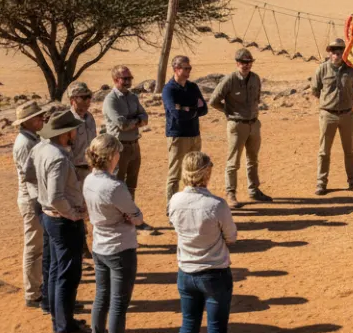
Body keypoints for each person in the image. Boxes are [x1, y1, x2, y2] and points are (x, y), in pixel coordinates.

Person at [168, 151, 244, 333]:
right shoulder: (216, 205)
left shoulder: (175, 200)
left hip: (186, 273)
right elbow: (231, 237)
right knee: (216, 332)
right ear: (206, 173)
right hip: (214, 274)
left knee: (188, 327)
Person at [82, 134, 150, 333]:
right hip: (120, 248)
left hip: (100, 245)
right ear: (111, 155)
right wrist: (131, 217)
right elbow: (137, 216)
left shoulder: (89, 180)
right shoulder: (115, 186)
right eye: (118, 152)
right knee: (119, 305)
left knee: (101, 298)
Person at [33, 109, 88, 333]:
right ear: (66, 133)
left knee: (56, 272)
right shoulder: (58, 157)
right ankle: (64, 328)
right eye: (74, 129)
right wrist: (72, 214)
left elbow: (29, 175)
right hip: (62, 220)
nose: (76, 132)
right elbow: (56, 196)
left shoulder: (40, 149)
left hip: (49, 217)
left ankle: (61, 320)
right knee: (67, 274)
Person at [209, 48, 268, 208]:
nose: (246, 65)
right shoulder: (229, 80)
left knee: (253, 159)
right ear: (237, 63)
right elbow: (214, 100)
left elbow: (257, 98)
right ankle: (231, 193)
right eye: (243, 62)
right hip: (236, 125)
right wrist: (228, 111)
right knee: (233, 162)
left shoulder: (255, 78)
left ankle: (254, 190)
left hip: (253, 124)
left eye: (249, 62)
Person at [311, 38, 353, 197]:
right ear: (329, 53)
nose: (337, 54)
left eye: (340, 51)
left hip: (347, 114)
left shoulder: (352, 70)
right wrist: (329, 102)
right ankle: (321, 183)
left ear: (345, 53)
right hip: (328, 115)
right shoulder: (322, 69)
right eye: (334, 51)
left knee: (349, 150)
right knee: (324, 151)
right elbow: (315, 90)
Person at [102, 65, 152, 231]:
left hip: (134, 145)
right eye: (125, 79)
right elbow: (122, 124)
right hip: (118, 148)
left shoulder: (132, 97)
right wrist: (136, 120)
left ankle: (132, 218)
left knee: (131, 184)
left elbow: (145, 118)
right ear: (115, 80)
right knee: (117, 185)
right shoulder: (111, 100)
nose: (129, 81)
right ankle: (117, 220)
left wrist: (134, 120)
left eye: (130, 78)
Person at [12, 101, 48, 311]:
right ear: (27, 122)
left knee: (39, 246)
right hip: (32, 200)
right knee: (33, 247)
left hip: (36, 198)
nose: (41, 119)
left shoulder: (32, 138)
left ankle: (38, 287)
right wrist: (40, 203)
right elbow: (30, 177)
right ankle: (32, 292)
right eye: (38, 117)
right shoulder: (24, 143)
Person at [162, 55, 209, 204]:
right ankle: (171, 207)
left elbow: (204, 109)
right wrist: (193, 109)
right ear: (176, 69)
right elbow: (175, 114)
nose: (189, 71)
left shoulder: (193, 87)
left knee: (195, 172)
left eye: (190, 68)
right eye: (186, 68)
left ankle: (192, 204)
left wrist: (187, 109)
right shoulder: (169, 89)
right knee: (175, 174)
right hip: (177, 136)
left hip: (195, 135)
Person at [67, 82, 97, 183]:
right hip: (75, 171)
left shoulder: (90, 117)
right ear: (72, 100)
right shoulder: (68, 121)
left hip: (91, 169)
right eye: (83, 98)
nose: (87, 101)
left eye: (89, 97)